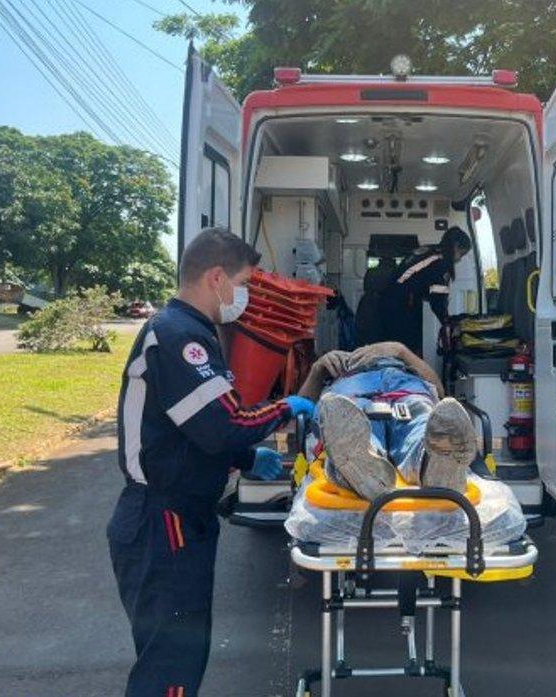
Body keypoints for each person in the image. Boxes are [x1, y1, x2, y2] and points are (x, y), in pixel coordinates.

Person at [106, 227, 315, 697]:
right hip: (163, 521)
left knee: (177, 655)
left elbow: (193, 429)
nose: (244, 295)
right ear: (217, 278)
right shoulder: (179, 337)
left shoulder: (190, 331)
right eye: (244, 283)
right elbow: (223, 423)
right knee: (171, 667)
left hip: (174, 518)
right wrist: (288, 408)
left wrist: (244, 456)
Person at [297, 341, 476, 500]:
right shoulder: (339, 367)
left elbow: (439, 391)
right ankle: (364, 465)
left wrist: (400, 351)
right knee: (348, 419)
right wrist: (318, 369)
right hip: (353, 389)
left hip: (404, 386)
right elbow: (298, 406)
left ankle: (434, 463)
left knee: (420, 416)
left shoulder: (405, 360)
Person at [379, 226, 472, 356]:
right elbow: (438, 299)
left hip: (391, 301)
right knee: (407, 351)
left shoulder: (429, 250)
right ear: (455, 246)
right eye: (461, 254)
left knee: (395, 348)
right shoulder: (441, 263)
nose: (459, 259)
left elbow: (419, 281)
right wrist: (447, 321)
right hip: (401, 306)